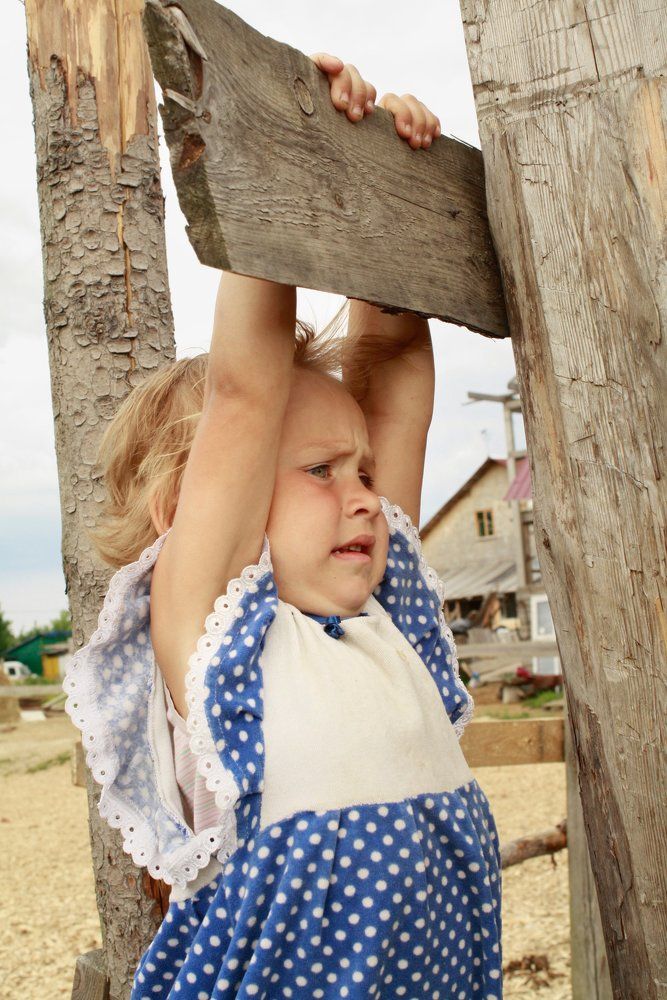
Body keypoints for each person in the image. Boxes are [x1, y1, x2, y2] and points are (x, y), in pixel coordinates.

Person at [64, 52, 502, 999]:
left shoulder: (385, 612)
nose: (363, 497)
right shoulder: (214, 637)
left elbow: (387, 369)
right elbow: (246, 392)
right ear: (188, 511)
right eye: (319, 471)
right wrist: (287, 150)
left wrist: (376, 181)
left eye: (363, 472)